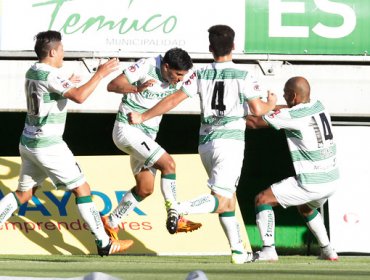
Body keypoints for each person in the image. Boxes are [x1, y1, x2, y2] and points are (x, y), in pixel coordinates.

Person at [127, 25, 277, 264]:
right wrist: (271, 103)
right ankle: (178, 208)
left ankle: (238, 251)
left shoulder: (200, 73)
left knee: (227, 197)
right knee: (220, 198)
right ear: (234, 47)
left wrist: (144, 116)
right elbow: (258, 110)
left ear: (210, 48)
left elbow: (173, 99)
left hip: (206, 143)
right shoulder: (244, 75)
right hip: (230, 143)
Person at [0, 30, 133, 256]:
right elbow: (80, 97)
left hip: (29, 142)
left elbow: (47, 94)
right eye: (61, 50)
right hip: (48, 145)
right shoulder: (51, 75)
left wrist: (66, 85)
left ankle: (103, 241)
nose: (63, 53)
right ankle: (104, 242)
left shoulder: (33, 70)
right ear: (52, 51)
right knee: (82, 190)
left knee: (23, 195)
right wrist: (100, 74)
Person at [102, 47, 202, 237]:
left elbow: (173, 100)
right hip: (128, 129)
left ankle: (111, 221)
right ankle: (175, 214)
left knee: (145, 188)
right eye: (177, 74)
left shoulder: (181, 76)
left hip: (146, 136)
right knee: (169, 164)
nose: (180, 79)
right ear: (165, 66)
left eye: (183, 75)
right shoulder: (146, 65)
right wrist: (136, 88)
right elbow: (113, 85)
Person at [245, 76, 339, 261]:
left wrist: (227, 113)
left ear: (294, 96)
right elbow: (288, 109)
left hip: (311, 183)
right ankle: (328, 250)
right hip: (332, 180)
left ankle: (268, 251)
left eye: (286, 94)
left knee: (262, 199)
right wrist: (269, 106)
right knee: (306, 208)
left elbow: (254, 123)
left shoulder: (293, 116)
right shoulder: (319, 105)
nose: (283, 96)